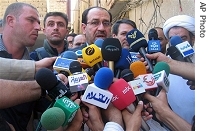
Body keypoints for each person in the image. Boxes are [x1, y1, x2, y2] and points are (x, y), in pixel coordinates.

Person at [0, 2, 42, 130]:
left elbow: (28, 119)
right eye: (31, 20)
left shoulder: (39, 67)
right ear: (11, 20)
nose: (38, 27)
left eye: (38, 22)